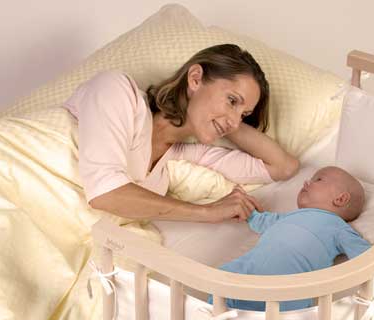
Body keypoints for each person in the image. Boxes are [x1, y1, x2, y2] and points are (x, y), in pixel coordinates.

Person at [63, 44, 299, 224]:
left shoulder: (184, 155)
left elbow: (284, 167)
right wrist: (207, 212)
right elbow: (105, 193)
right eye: (232, 100)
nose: (235, 122)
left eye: (244, 115)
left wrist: (227, 118)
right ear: (195, 78)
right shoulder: (117, 91)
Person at [211, 166, 371, 311]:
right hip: (250, 271)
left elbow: (366, 257)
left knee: (287, 315)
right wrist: (248, 211)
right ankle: (215, 316)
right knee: (223, 281)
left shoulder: (338, 227)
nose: (306, 182)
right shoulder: (289, 217)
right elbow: (262, 221)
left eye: (318, 179)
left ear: (340, 199)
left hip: (289, 284)